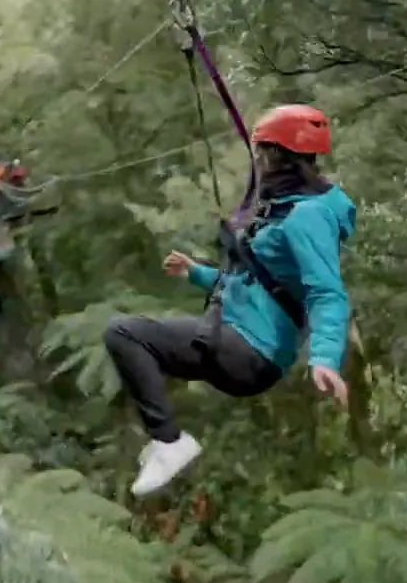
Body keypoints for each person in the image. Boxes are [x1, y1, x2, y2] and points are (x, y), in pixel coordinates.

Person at [103, 104, 357, 496]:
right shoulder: (283, 209)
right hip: (238, 340)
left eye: (263, 154)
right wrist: (198, 273)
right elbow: (256, 282)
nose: (260, 163)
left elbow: (326, 293)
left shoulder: (308, 216)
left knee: (125, 333)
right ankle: (166, 442)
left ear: (278, 156)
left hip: (249, 353)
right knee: (133, 339)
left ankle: (169, 443)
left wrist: (324, 357)